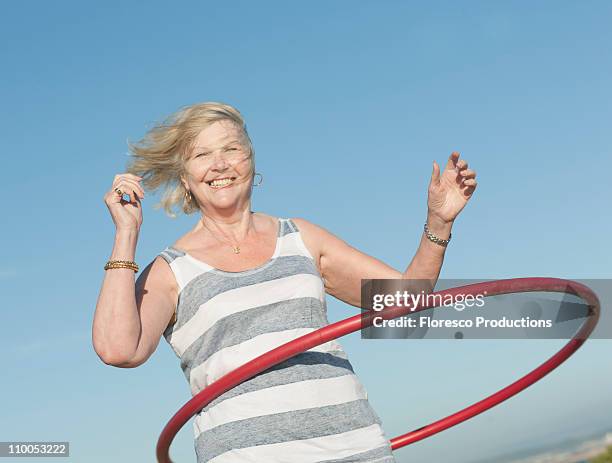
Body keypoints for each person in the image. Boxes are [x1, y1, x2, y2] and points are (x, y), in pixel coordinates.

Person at [92, 101, 477, 463]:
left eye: (232, 149)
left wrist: (438, 223)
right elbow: (118, 350)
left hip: (354, 446)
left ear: (251, 159)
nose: (220, 164)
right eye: (202, 154)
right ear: (185, 177)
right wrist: (126, 233)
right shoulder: (172, 269)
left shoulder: (300, 237)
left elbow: (405, 302)